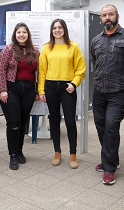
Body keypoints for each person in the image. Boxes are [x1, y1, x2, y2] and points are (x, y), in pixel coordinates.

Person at [90, 4, 124, 185]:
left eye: (111, 14)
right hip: (100, 90)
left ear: (117, 16)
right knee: (101, 126)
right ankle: (111, 157)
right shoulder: (96, 40)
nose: (107, 17)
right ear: (101, 18)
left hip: (119, 91)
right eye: (104, 15)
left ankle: (109, 168)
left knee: (111, 126)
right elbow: (95, 61)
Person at [38, 18, 86, 169]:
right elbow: (42, 72)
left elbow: (81, 69)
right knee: (54, 120)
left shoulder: (73, 47)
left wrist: (74, 83)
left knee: (71, 121)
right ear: (51, 31)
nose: (57, 30)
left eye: (60, 27)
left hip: (67, 88)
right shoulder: (46, 48)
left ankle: (73, 154)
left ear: (64, 29)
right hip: (51, 87)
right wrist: (41, 90)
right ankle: (57, 152)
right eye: (54, 28)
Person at [0, 22, 40, 170]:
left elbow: (39, 72)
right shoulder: (8, 50)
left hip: (28, 90)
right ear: (15, 35)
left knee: (23, 121)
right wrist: (2, 90)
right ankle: (12, 155)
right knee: (14, 123)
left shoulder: (35, 52)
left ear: (28, 35)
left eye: (24, 32)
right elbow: (1, 70)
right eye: (19, 32)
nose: (21, 35)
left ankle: (20, 150)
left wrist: (37, 92)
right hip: (11, 88)